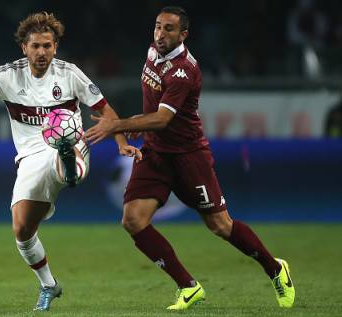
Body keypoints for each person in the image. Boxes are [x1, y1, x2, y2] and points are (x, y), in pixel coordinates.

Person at [85, 6, 295, 310]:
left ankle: (275, 269)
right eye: (157, 27)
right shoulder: (151, 53)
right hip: (156, 152)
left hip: (188, 157)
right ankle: (188, 286)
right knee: (133, 220)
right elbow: (152, 116)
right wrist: (134, 127)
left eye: (169, 29)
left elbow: (161, 119)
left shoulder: (184, 71)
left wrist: (119, 125)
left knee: (220, 226)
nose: (160, 34)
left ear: (184, 34)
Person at [0, 12, 141, 311]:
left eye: (47, 46)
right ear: (24, 48)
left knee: (65, 148)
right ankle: (49, 285)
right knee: (22, 230)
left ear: (55, 47)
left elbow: (106, 111)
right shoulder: (7, 76)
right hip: (30, 156)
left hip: (71, 144)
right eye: (35, 46)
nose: (41, 52)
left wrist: (121, 143)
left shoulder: (70, 74)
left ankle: (70, 165)